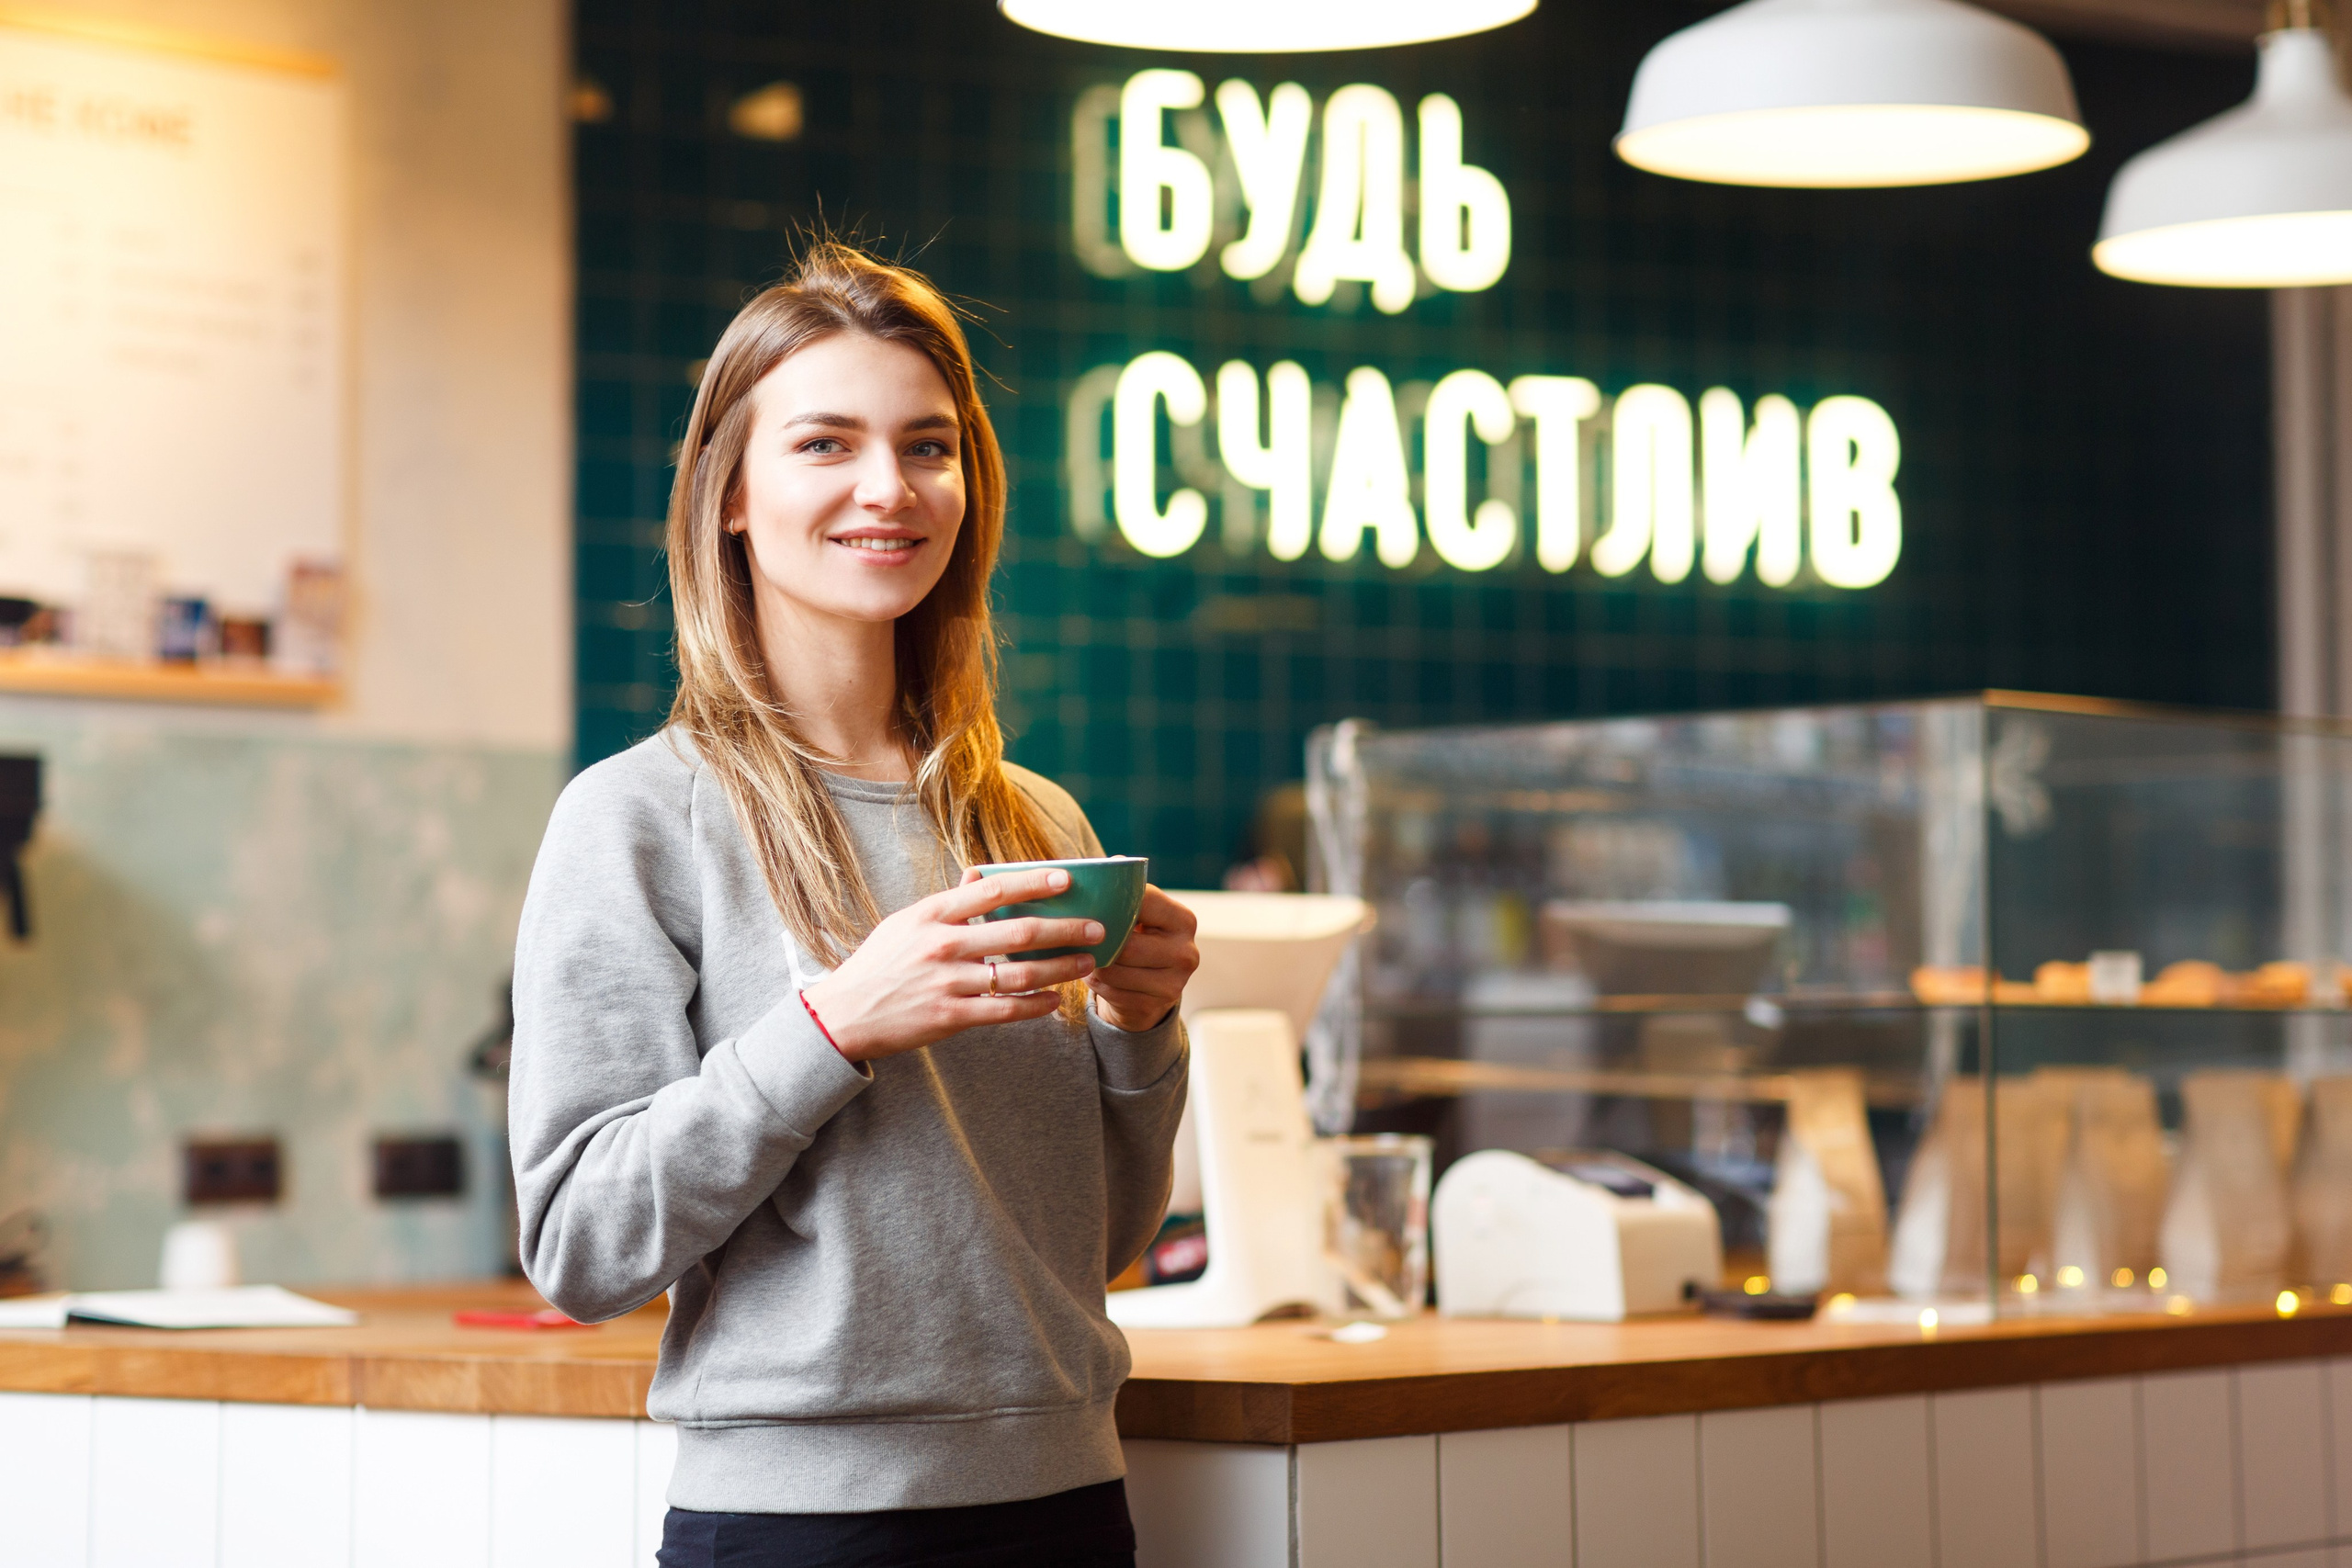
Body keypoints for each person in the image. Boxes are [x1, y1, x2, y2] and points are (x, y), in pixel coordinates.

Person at [509, 241, 1197, 1568]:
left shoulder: (1034, 825)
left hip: (1069, 1504)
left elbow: (1092, 1244)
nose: (890, 488)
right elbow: (582, 1246)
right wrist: (832, 1028)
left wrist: (1139, 1029)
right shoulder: (639, 817)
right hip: (799, 1529)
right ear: (730, 495)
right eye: (826, 444)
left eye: (927, 447)